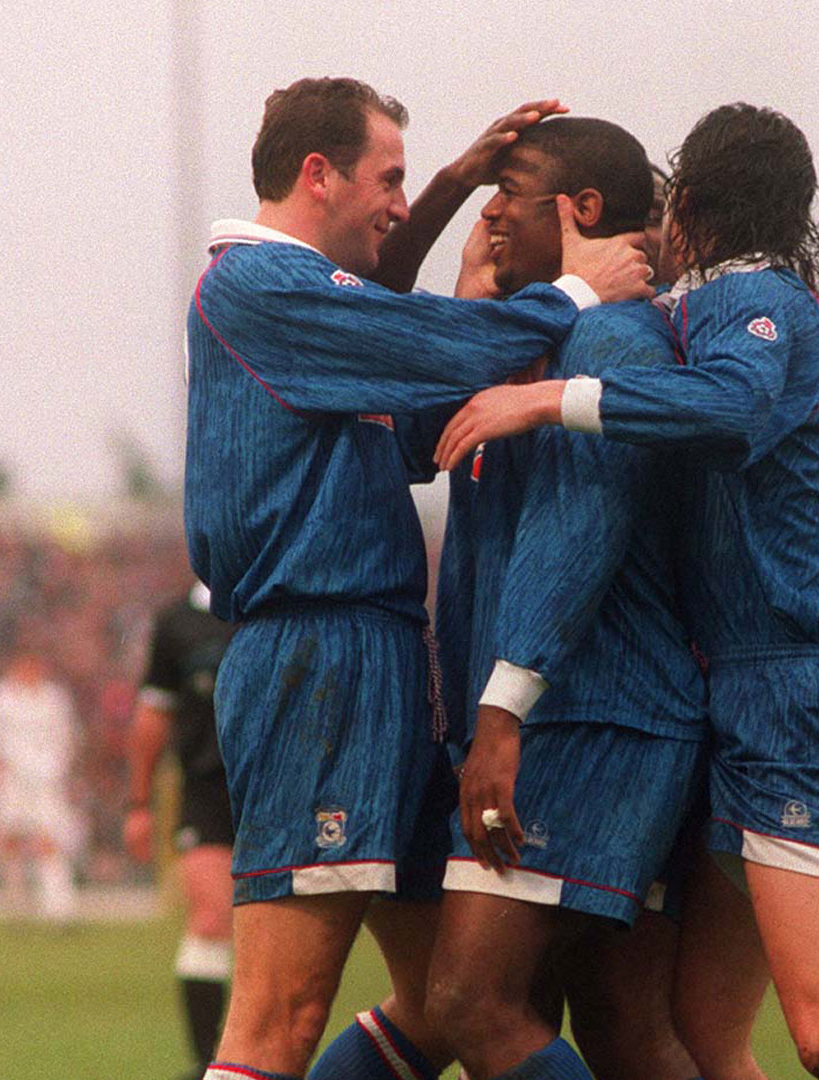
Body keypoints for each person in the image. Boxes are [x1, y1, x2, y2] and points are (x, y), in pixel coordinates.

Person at [433, 103, 819, 1080]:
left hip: (795, 699)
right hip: (726, 701)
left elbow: (728, 409)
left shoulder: (751, 293)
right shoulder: (674, 314)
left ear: (692, 201)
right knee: (695, 1036)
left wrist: (544, 396)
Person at [184, 77, 650, 1080]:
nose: (402, 205)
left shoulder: (319, 312)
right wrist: (574, 292)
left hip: (381, 657)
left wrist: (443, 187)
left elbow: (416, 409)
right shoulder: (258, 286)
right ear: (319, 175)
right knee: (281, 1014)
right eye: (387, 179)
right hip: (317, 657)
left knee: (453, 1004)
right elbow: (432, 343)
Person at [125, 582, 240, 1078]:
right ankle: (206, 1063)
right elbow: (153, 715)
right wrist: (139, 803)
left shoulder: (276, 602)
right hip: (207, 792)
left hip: (278, 793)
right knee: (212, 918)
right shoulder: (176, 622)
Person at [0, 646, 80, 922]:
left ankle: (59, 909)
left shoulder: (54, 699)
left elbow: (69, 739)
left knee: (48, 839)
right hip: (9, 780)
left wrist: (63, 771)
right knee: (10, 841)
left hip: (47, 781)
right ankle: (15, 905)